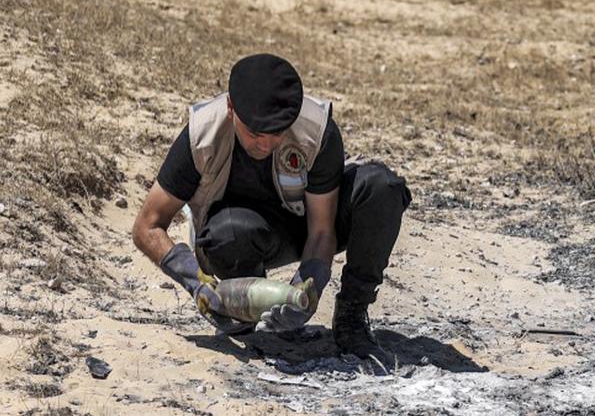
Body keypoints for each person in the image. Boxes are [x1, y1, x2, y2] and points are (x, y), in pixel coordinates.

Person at [132, 54, 411, 363]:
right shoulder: (202, 134)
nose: (265, 144)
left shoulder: (315, 129)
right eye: (254, 133)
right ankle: (243, 316)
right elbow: (147, 225)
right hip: (238, 235)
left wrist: (308, 289)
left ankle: (351, 316)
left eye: (277, 133)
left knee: (381, 188)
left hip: (305, 224)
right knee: (229, 233)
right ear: (231, 109)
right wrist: (195, 282)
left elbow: (321, 230)